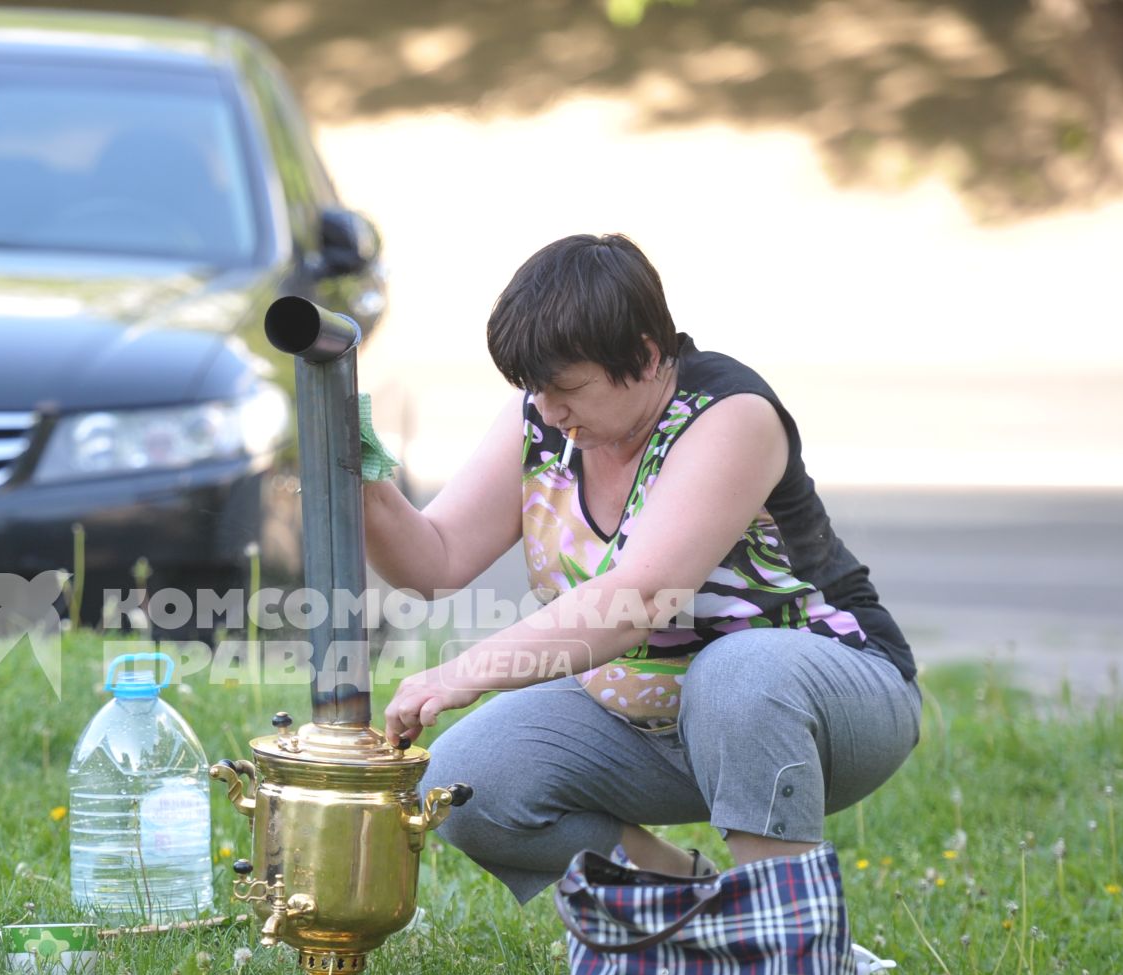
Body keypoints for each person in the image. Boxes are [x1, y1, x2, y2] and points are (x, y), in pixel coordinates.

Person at [367, 234, 920, 897]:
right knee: (465, 779)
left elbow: (642, 596)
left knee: (737, 672)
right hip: (649, 721)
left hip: (826, 697)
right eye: (533, 388)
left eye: (566, 386)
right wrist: (362, 479)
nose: (546, 409)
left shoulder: (729, 414)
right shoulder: (545, 420)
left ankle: (781, 938)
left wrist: (467, 670)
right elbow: (436, 561)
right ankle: (686, 899)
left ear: (646, 355)